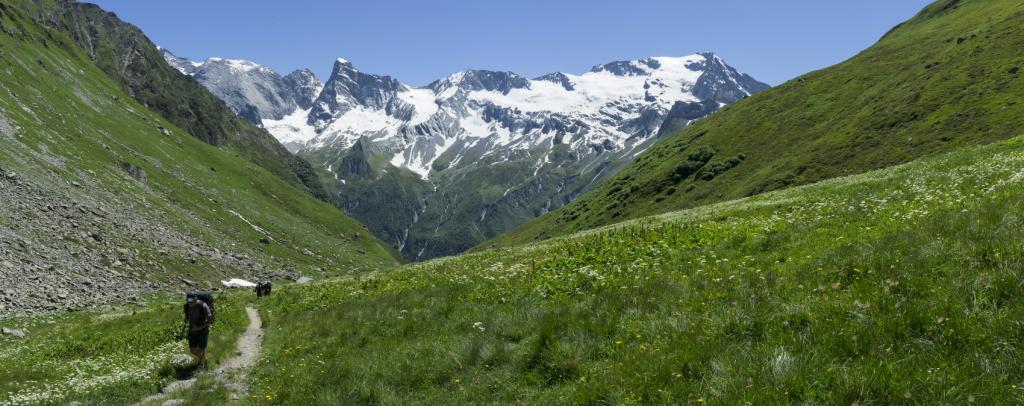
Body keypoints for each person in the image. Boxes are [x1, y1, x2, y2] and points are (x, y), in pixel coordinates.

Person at [184, 296, 213, 369]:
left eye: (192, 301)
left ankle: (201, 367)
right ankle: (204, 359)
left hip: (203, 330)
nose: (190, 303)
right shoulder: (186, 306)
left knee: (201, 350)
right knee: (192, 350)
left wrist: (199, 327)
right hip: (192, 330)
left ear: (196, 299)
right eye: (188, 301)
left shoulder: (203, 305)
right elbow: (187, 317)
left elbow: (210, 320)